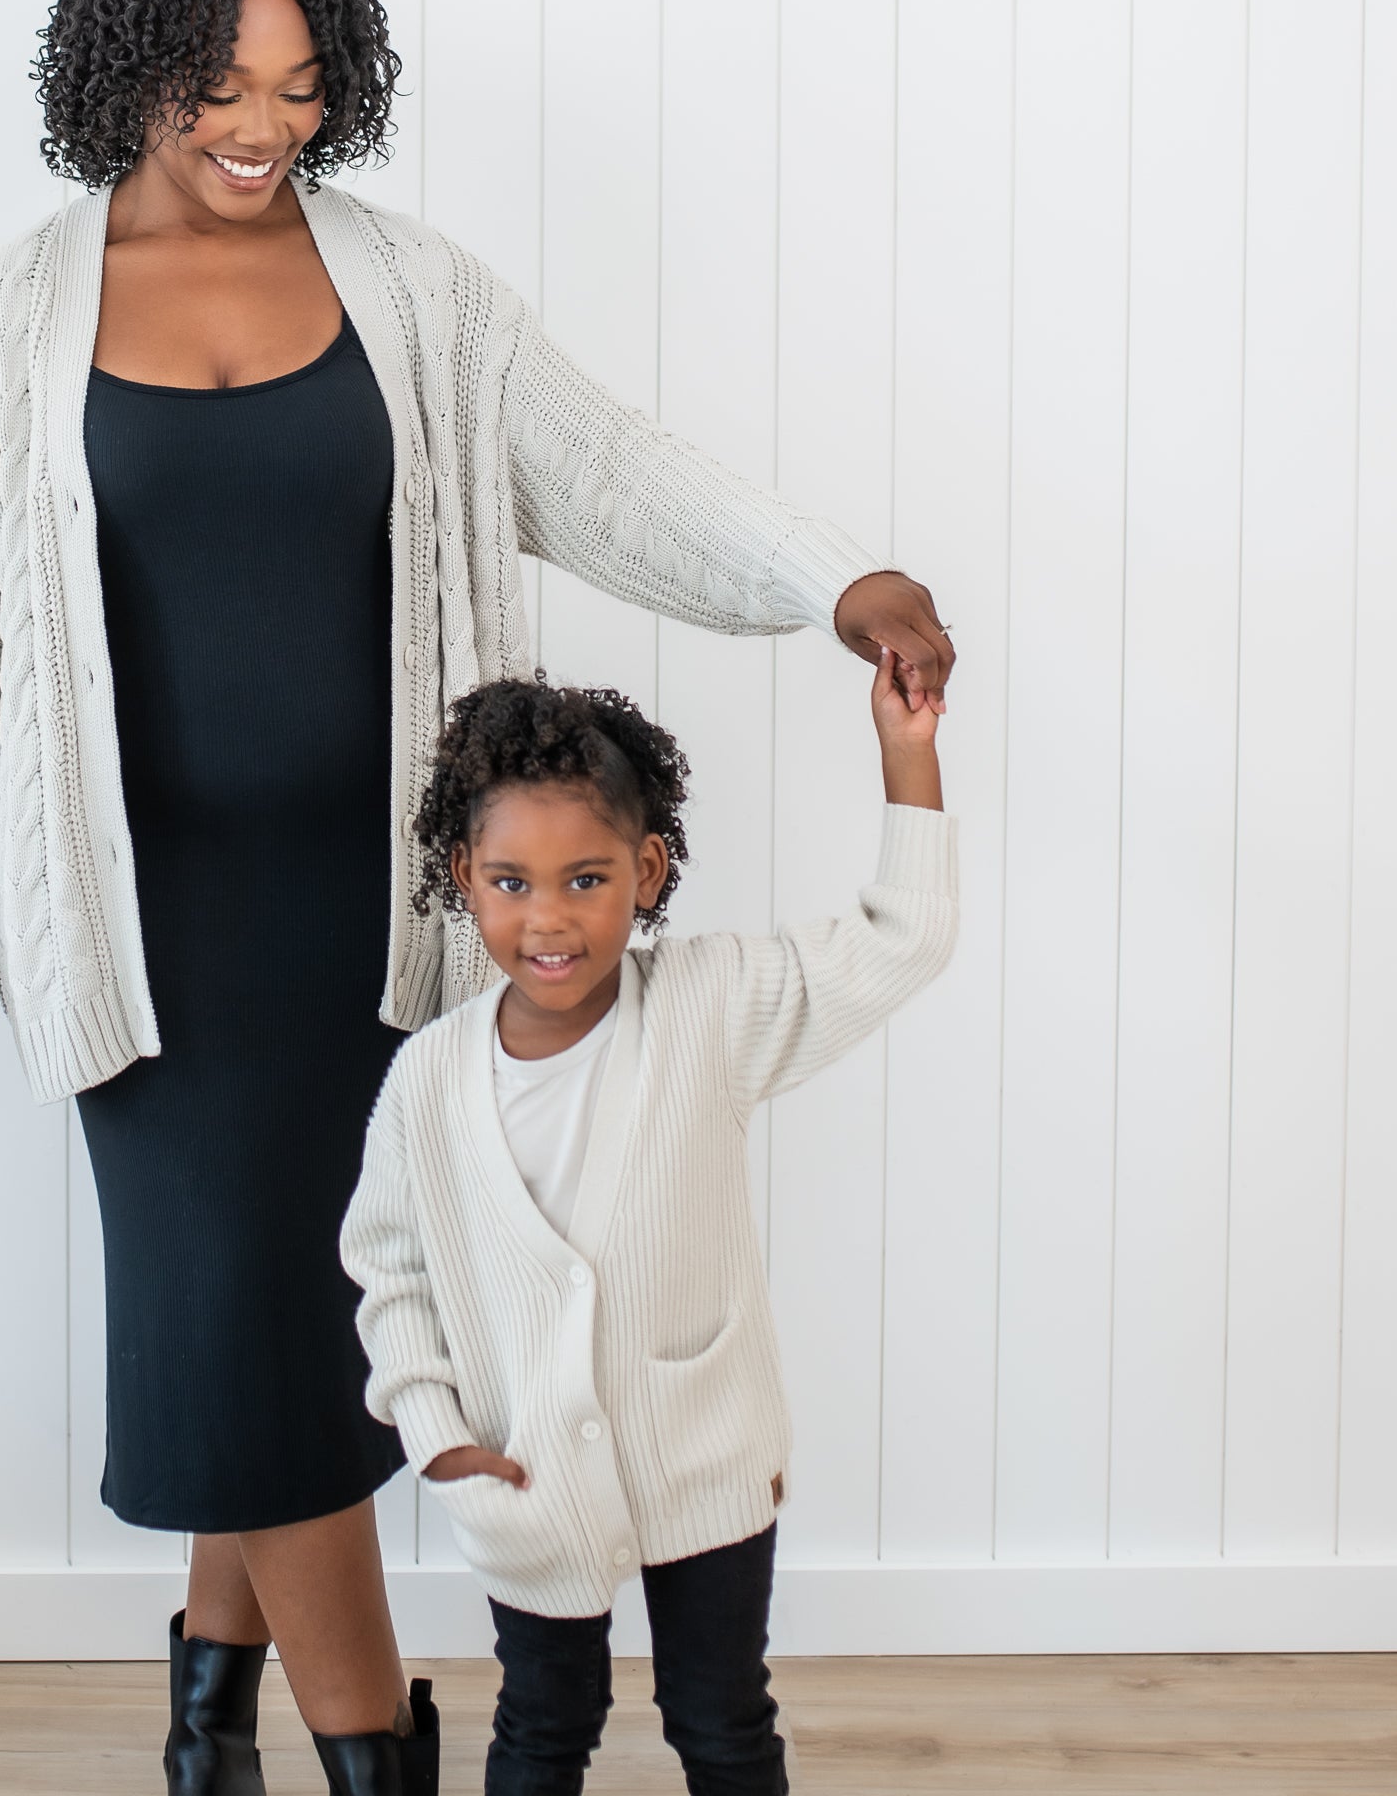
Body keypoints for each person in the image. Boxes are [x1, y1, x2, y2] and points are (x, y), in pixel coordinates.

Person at [0, 0, 955, 1796]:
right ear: (126, 68)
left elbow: (613, 470)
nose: (260, 127)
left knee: (283, 1352)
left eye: (298, 88)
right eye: (218, 83)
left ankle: (211, 1728)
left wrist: (831, 581)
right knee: (246, 1349)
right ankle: (378, 1755)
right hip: (150, 940)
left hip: (378, 937)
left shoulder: (420, 296)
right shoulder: (7, 320)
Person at [341, 656, 956, 1795]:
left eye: (585, 877)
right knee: (542, 1719)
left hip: (701, 1448)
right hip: (521, 1469)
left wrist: (906, 751)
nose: (549, 917)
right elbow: (389, 1269)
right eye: (511, 881)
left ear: (647, 870)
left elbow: (899, 943)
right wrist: (435, 1433)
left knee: (719, 1715)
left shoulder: (708, 1007)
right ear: (461, 876)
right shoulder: (426, 1081)